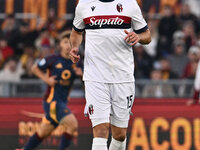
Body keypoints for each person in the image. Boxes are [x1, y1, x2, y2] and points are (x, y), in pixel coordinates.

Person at [70, 0, 151, 150]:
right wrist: (74, 47)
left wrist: (139, 37)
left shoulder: (130, 4)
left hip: (122, 76)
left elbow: (147, 34)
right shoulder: (84, 4)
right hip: (95, 76)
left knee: (119, 135)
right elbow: (76, 32)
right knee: (100, 130)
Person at [24, 31, 83, 150]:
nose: (68, 45)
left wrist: (82, 76)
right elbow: (34, 68)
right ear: (59, 44)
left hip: (62, 102)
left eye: (70, 42)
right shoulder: (52, 59)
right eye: (65, 42)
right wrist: (47, 79)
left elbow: (85, 83)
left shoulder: (77, 62)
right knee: (72, 125)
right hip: (52, 102)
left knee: (42, 133)